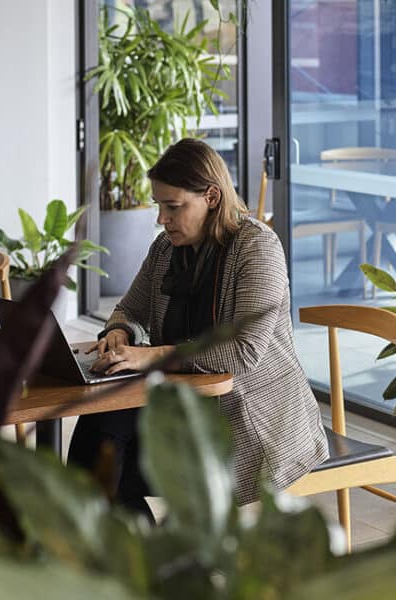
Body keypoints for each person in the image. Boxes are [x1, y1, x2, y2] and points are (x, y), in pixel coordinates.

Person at [70, 138, 329, 517]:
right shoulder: (165, 249)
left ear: (211, 196)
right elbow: (130, 308)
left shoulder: (258, 248)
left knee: (108, 467)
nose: (162, 218)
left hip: (250, 424)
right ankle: (130, 561)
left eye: (173, 207)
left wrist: (150, 356)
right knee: (100, 431)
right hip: (183, 408)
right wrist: (119, 332)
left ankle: (127, 560)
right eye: (160, 206)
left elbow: (244, 351)